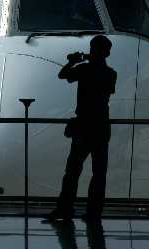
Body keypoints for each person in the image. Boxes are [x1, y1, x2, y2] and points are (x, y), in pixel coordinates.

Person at [46, 35, 117, 222]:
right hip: (101, 128)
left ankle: (64, 209)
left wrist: (73, 61)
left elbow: (62, 75)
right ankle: (94, 213)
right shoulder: (111, 74)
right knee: (99, 173)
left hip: (83, 127)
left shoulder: (84, 70)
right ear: (107, 52)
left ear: (92, 49)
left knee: (72, 172)